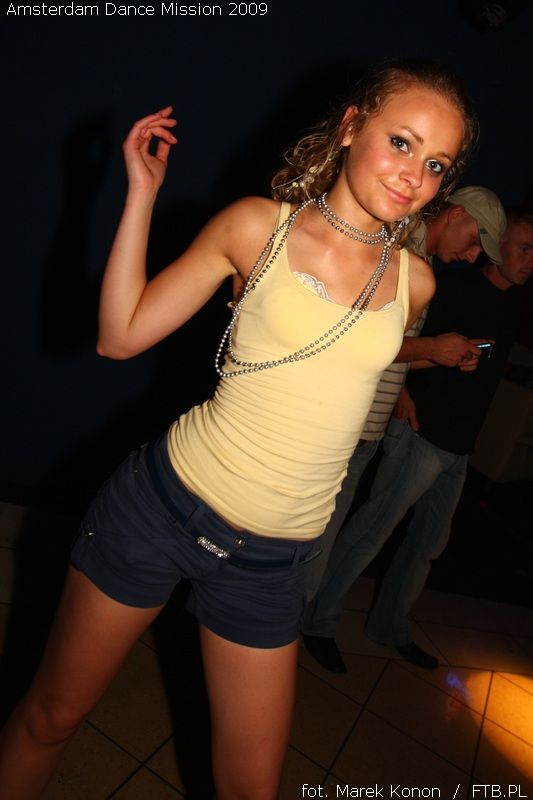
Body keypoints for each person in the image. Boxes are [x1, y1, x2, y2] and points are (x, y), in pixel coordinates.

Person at [0, 61, 477, 800]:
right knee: (52, 716)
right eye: (401, 142)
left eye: (436, 163)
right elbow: (120, 336)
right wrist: (141, 196)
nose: (415, 175)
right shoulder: (258, 227)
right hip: (163, 509)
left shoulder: (416, 281)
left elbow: (345, 361)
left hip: (271, 562)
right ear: (350, 127)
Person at [302, 209, 532, 675]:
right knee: (371, 532)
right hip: (421, 431)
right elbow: (402, 341)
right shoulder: (451, 286)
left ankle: (388, 628)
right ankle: (317, 622)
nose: (531, 261)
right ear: (500, 242)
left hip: (459, 445)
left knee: (427, 544)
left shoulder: (512, 307)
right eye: (525, 248)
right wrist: (402, 393)